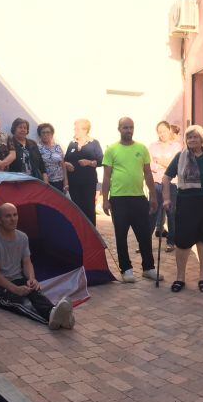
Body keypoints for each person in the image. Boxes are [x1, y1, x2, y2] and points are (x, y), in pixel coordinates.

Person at [0, 203, 74, 329]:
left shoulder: (22, 237)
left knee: (36, 294)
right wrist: (15, 289)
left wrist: (31, 278)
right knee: (22, 304)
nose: (13, 219)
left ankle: (54, 312)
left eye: (15, 215)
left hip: (17, 279)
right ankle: (53, 319)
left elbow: (27, 262)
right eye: (8, 216)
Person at [162, 125, 203, 293]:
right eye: (189, 137)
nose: (192, 140)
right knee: (182, 242)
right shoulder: (180, 157)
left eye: (195, 137)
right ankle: (180, 278)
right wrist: (167, 198)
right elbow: (166, 177)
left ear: (202, 139)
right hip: (187, 203)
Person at [102, 117, 161, 283]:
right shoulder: (112, 149)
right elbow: (106, 177)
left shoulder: (142, 148)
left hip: (139, 198)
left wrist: (153, 196)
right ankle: (126, 269)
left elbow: (148, 173)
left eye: (131, 127)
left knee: (144, 235)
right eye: (125, 127)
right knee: (121, 236)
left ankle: (148, 268)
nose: (128, 130)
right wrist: (105, 199)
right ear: (119, 129)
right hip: (118, 199)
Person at [148, 121, 182, 252]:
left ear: (169, 131)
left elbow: (175, 165)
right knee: (152, 212)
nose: (162, 134)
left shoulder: (177, 146)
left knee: (171, 213)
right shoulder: (152, 146)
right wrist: (163, 164)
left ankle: (171, 241)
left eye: (164, 131)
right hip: (156, 183)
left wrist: (159, 161)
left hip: (171, 183)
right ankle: (145, 241)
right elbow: (150, 166)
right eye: (159, 131)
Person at [64, 119, 104, 225]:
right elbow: (65, 159)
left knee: (89, 208)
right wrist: (67, 164)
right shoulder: (72, 144)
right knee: (76, 208)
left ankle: (91, 233)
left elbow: (101, 161)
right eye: (75, 128)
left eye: (77, 129)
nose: (75, 131)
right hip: (73, 183)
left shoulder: (94, 143)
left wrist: (89, 162)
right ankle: (78, 233)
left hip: (88, 182)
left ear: (85, 130)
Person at [37, 123, 69, 193]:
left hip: (59, 181)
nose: (45, 135)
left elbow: (63, 165)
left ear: (52, 134)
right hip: (45, 182)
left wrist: (65, 181)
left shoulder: (57, 147)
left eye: (48, 132)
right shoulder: (37, 147)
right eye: (43, 132)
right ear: (40, 134)